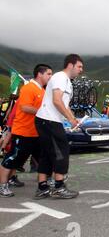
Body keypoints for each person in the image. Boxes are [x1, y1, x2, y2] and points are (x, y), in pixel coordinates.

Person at [34, 54, 83, 199]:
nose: (81, 70)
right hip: (49, 120)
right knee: (62, 151)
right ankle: (59, 187)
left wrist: (72, 117)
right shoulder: (61, 77)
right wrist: (71, 119)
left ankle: (42, 187)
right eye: (79, 66)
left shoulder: (65, 80)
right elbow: (57, 100)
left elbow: (62, 103)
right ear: (70, 65)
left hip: (47, 120)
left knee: (48, 153)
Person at [0, 64, 53, 197]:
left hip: (36, 133)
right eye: (49, 74)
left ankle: (46, 183)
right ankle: (2, 186)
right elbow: (24, 107)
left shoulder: (42, 90)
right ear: (40, 74)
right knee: (12, 159)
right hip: (23, 132)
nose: (50, 77)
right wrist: (43, 112)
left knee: (43, 158)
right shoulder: (29, 88)